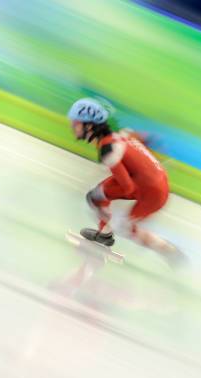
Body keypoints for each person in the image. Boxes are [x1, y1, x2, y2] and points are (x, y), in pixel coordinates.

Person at [67, 97, 183, 263]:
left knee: (123, 226)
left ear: (89, 126)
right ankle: (105, 235)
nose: (73, 127)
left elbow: (127, 187)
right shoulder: (118, 136)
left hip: (153, 193)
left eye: (76, 124)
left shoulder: (108, 151)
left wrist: (103, 201)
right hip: (152, 181)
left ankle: (166, 249)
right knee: (99, 193)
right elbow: (143, 138)